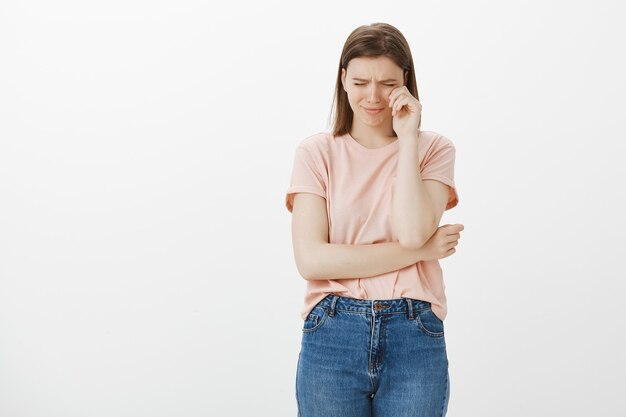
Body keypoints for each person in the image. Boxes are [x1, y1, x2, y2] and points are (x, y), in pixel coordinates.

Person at [285, 22, 464, 417]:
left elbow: (413, 230)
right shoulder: (316, 153)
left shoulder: (433, 149)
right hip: (332, 329)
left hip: (413, 330)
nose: (373, 96)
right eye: (361, 81)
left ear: (406, 82)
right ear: (343, 79)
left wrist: (407, 139)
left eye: (387, 83)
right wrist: (416, 252)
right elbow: (311, 261)